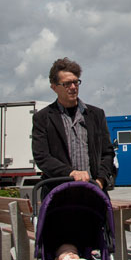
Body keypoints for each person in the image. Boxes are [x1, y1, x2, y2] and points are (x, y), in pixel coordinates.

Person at [31, 57, 116, 191]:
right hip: (59, 193)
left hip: (93, 192)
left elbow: (107, 153)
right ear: (54, 87)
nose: (73, 87)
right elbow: (41, 157)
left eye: (76, 82)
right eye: (67, 84)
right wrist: (71, 173)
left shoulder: (96, 115)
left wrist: (100, 181)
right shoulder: (43, 118)